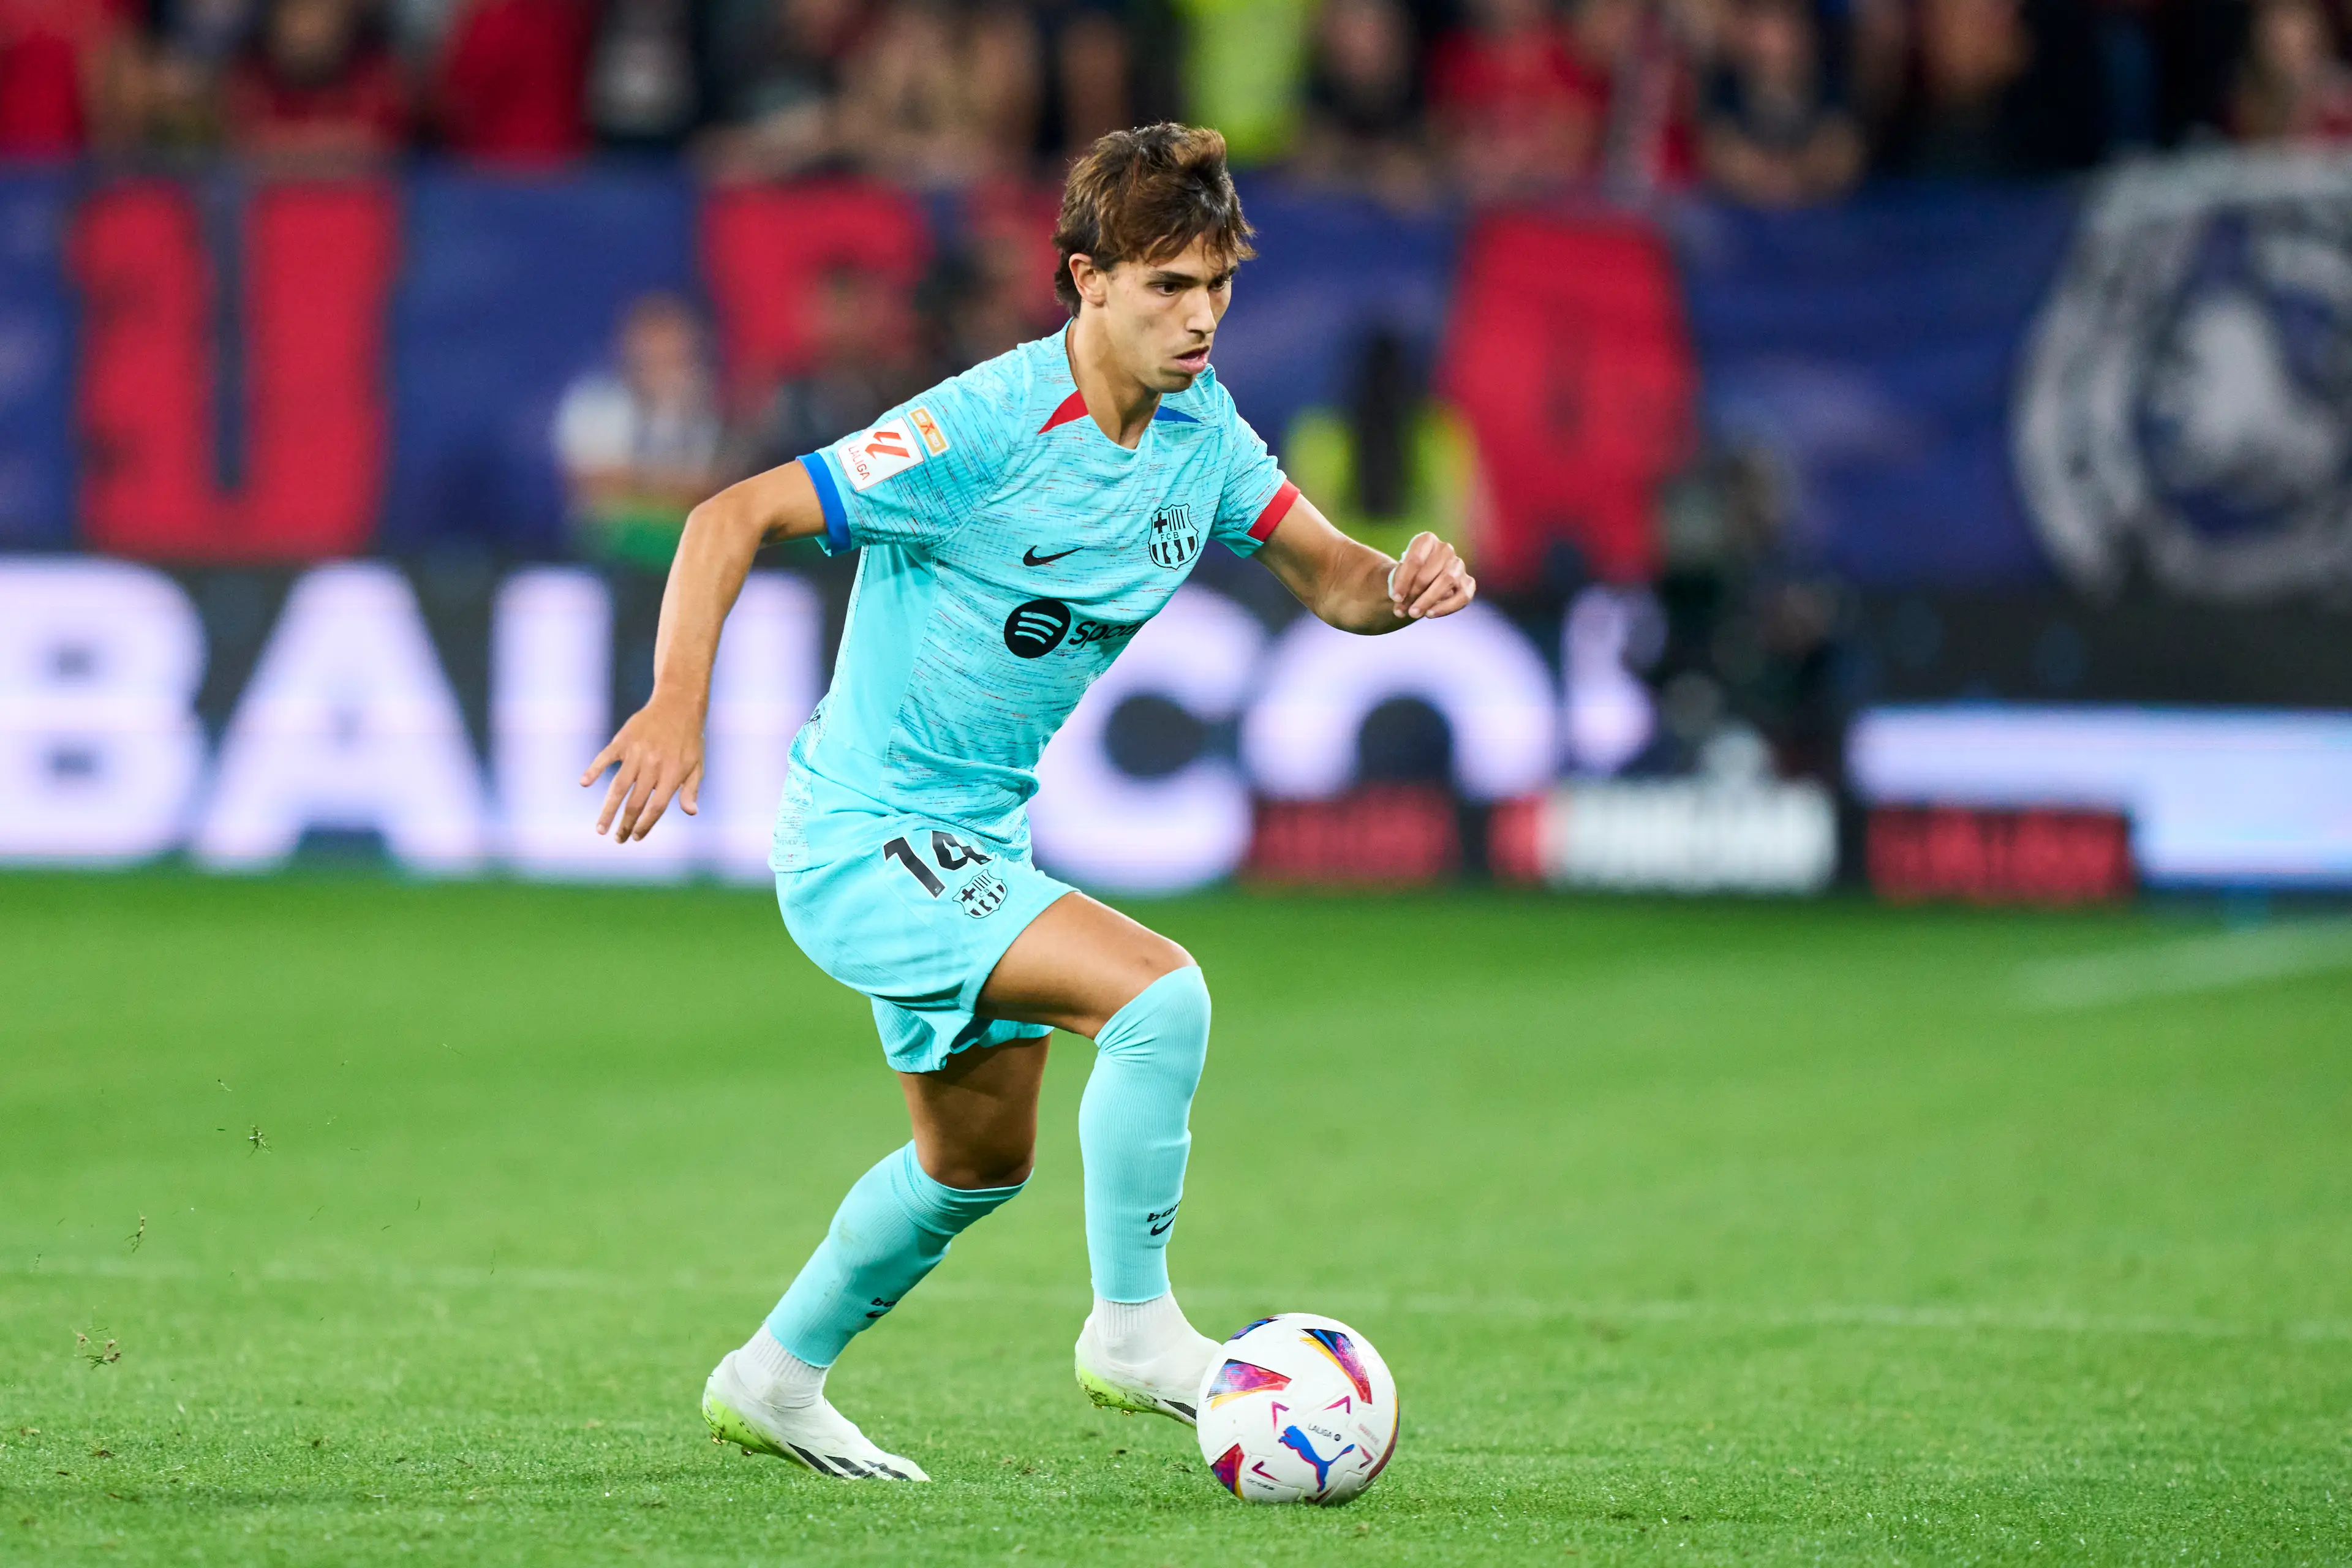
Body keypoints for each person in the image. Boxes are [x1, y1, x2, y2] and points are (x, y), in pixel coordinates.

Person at [581, 123, 1476, 1480]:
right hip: (866, 836)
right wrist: (674, 701)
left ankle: (770, 1375)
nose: (1202, 317)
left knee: (970, 1165)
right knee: (1160, 994)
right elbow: (728, 517)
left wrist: (1401, 586)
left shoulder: (1204, 430)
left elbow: (1331, 575)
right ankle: (1133, 1328)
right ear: (1085, 279)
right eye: (1169, 285)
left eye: (1218, 283)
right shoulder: (977, 430)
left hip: (974, 839)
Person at [553, 292, 726, 570]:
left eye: (673, 350)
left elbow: (715, 489)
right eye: (653, 348)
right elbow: (593, 488)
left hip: (690, 539)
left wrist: (640, 485)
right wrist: (668, 491)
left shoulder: (712, 406)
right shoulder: (594, 401)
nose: (662, 358)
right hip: (611, 541)